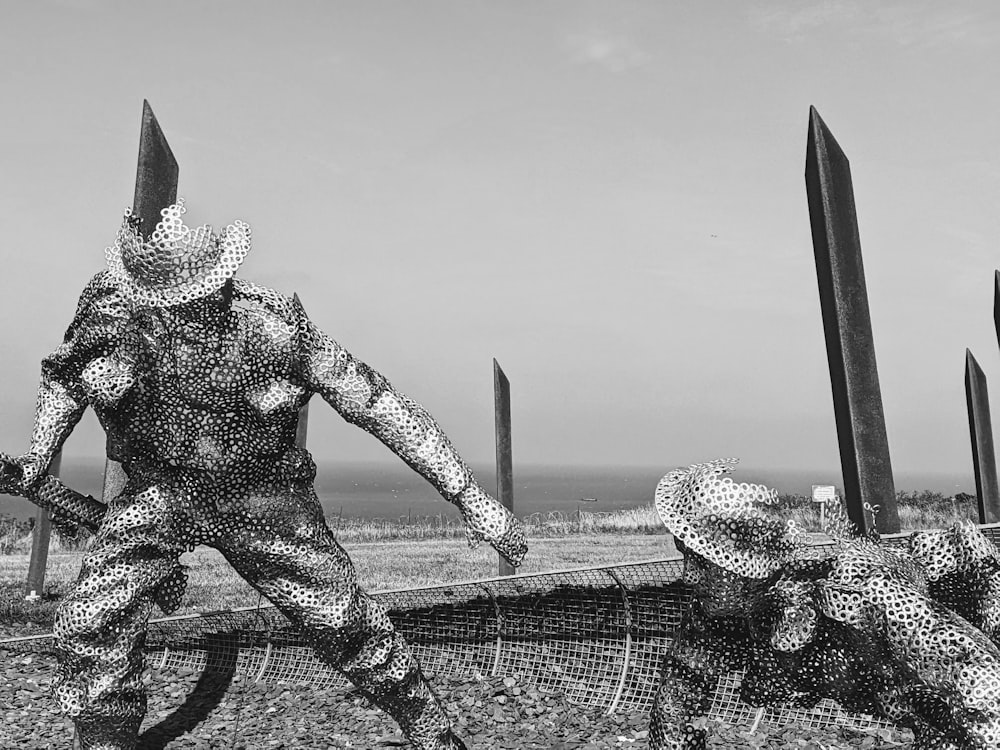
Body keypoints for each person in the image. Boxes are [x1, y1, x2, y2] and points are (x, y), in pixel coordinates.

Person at [0, 200, 527, 750]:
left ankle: (429, 728)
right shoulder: (111, 310)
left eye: (188, 306)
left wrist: (469, 496)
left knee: (339, 618)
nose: (174, 318)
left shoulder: (273, 327)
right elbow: (64, 376)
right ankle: (106, 742)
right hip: (163, 491)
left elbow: (376, 402)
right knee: (90, 621)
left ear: (218, 287)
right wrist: (41, 452)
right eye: (159, 307)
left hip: (262, 496)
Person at [649, 459, 1000, 750]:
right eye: (686, 556)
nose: (688, 576)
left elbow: (982, 680)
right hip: (921, 704)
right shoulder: (717, 615)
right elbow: (676, 699)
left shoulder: (858, 594)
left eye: (703, 561)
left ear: (748, 566)